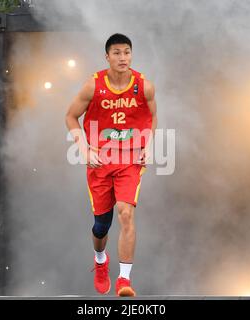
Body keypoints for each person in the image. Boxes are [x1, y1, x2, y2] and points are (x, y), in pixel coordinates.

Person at [65, 33, 157, 297]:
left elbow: (152, 118)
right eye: (116, 53)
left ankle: (124, 281)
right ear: (107, 57)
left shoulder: (144, 86)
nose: (122, 57)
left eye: (127, 52)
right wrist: (83, 148)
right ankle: (100, 259)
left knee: (126, 213)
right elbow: (70, 117)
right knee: (101, 226)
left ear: (132, 55)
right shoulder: (93, 85)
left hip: (129, 159)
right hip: (100, 160)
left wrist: (148, 146)